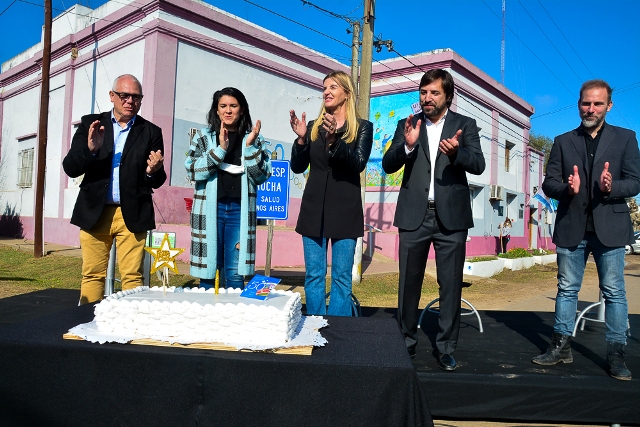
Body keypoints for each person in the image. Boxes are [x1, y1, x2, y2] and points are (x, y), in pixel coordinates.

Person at [531, 79, 640, 381]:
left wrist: (612, 186)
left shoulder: (626, 138)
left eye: (597, 103)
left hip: (611, 227)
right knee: (567, 289)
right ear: (578, 103)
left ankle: (616, 353)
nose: (590, 109)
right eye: (585, 103)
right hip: (572, 227)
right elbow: (548, 182)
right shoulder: (563, 141)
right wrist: (567, 188)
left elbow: (635, 181)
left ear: (609, 106)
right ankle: (561, 346)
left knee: (615, 292)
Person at [382, 69, 485, 370]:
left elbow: (478, 164)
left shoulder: (465, 126)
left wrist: (457, 154)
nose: (427, 98)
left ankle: (446, 348)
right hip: (414, 215)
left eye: (434, 93)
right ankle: (406, 342)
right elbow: (388, 165)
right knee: (408, 284)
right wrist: (408, 146)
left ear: (448, 96)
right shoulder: (407, 124)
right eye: (423, 92)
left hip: (451, 218)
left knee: (450, 285)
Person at [62, 74, 166, 305]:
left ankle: (130, 327)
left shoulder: (151, 132)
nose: (130, 101)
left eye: (136, 97)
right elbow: (70, 167)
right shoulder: (91, 124)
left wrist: (152, 171)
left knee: (133, 277)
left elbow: (157, 180)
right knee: (92, 275)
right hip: (94, 213)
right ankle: (88, 326)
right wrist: (89, 150)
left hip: (133, 213)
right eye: (124, 95)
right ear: (112, 97)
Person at [289, 70, 373, 316]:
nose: (326, 91)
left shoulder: (363, 129)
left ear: (347, 93)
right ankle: (314, 328)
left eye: (333, 87)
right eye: (324, 87)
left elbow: (358, 163)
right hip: (313, 211)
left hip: (345, 212)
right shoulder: (314, 127)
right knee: (314, 277)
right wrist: (302, 140)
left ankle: (337, 336)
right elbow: (298, 167)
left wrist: (336, 141)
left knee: (341, 279)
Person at [185, 88, 271, 289]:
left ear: (242, 110)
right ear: (216, 110)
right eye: (223, 106)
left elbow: (262, 175)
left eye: (233, 106)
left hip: (239, 212)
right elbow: (191, 170)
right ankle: (206, 316)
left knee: (234, 272)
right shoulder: (204, 138)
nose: (228, 111)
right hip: (209, 211)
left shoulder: (254, 138)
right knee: (208, 270)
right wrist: (220, 150)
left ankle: (235, 316)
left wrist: (249, 148)